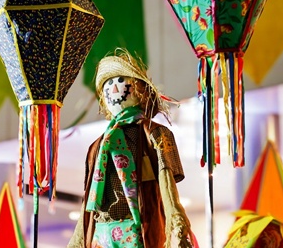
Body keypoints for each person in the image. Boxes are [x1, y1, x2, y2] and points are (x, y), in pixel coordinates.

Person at [68, 49, 193, 248]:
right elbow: (89, 198)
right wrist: (77, 242)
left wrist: (176, 218)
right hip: (101, 231)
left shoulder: (154, 133)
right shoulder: (97, 146)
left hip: (139, 227)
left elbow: (166, 179)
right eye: (108, 84)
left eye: (120, 81)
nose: (113, 88)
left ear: (139, 88)